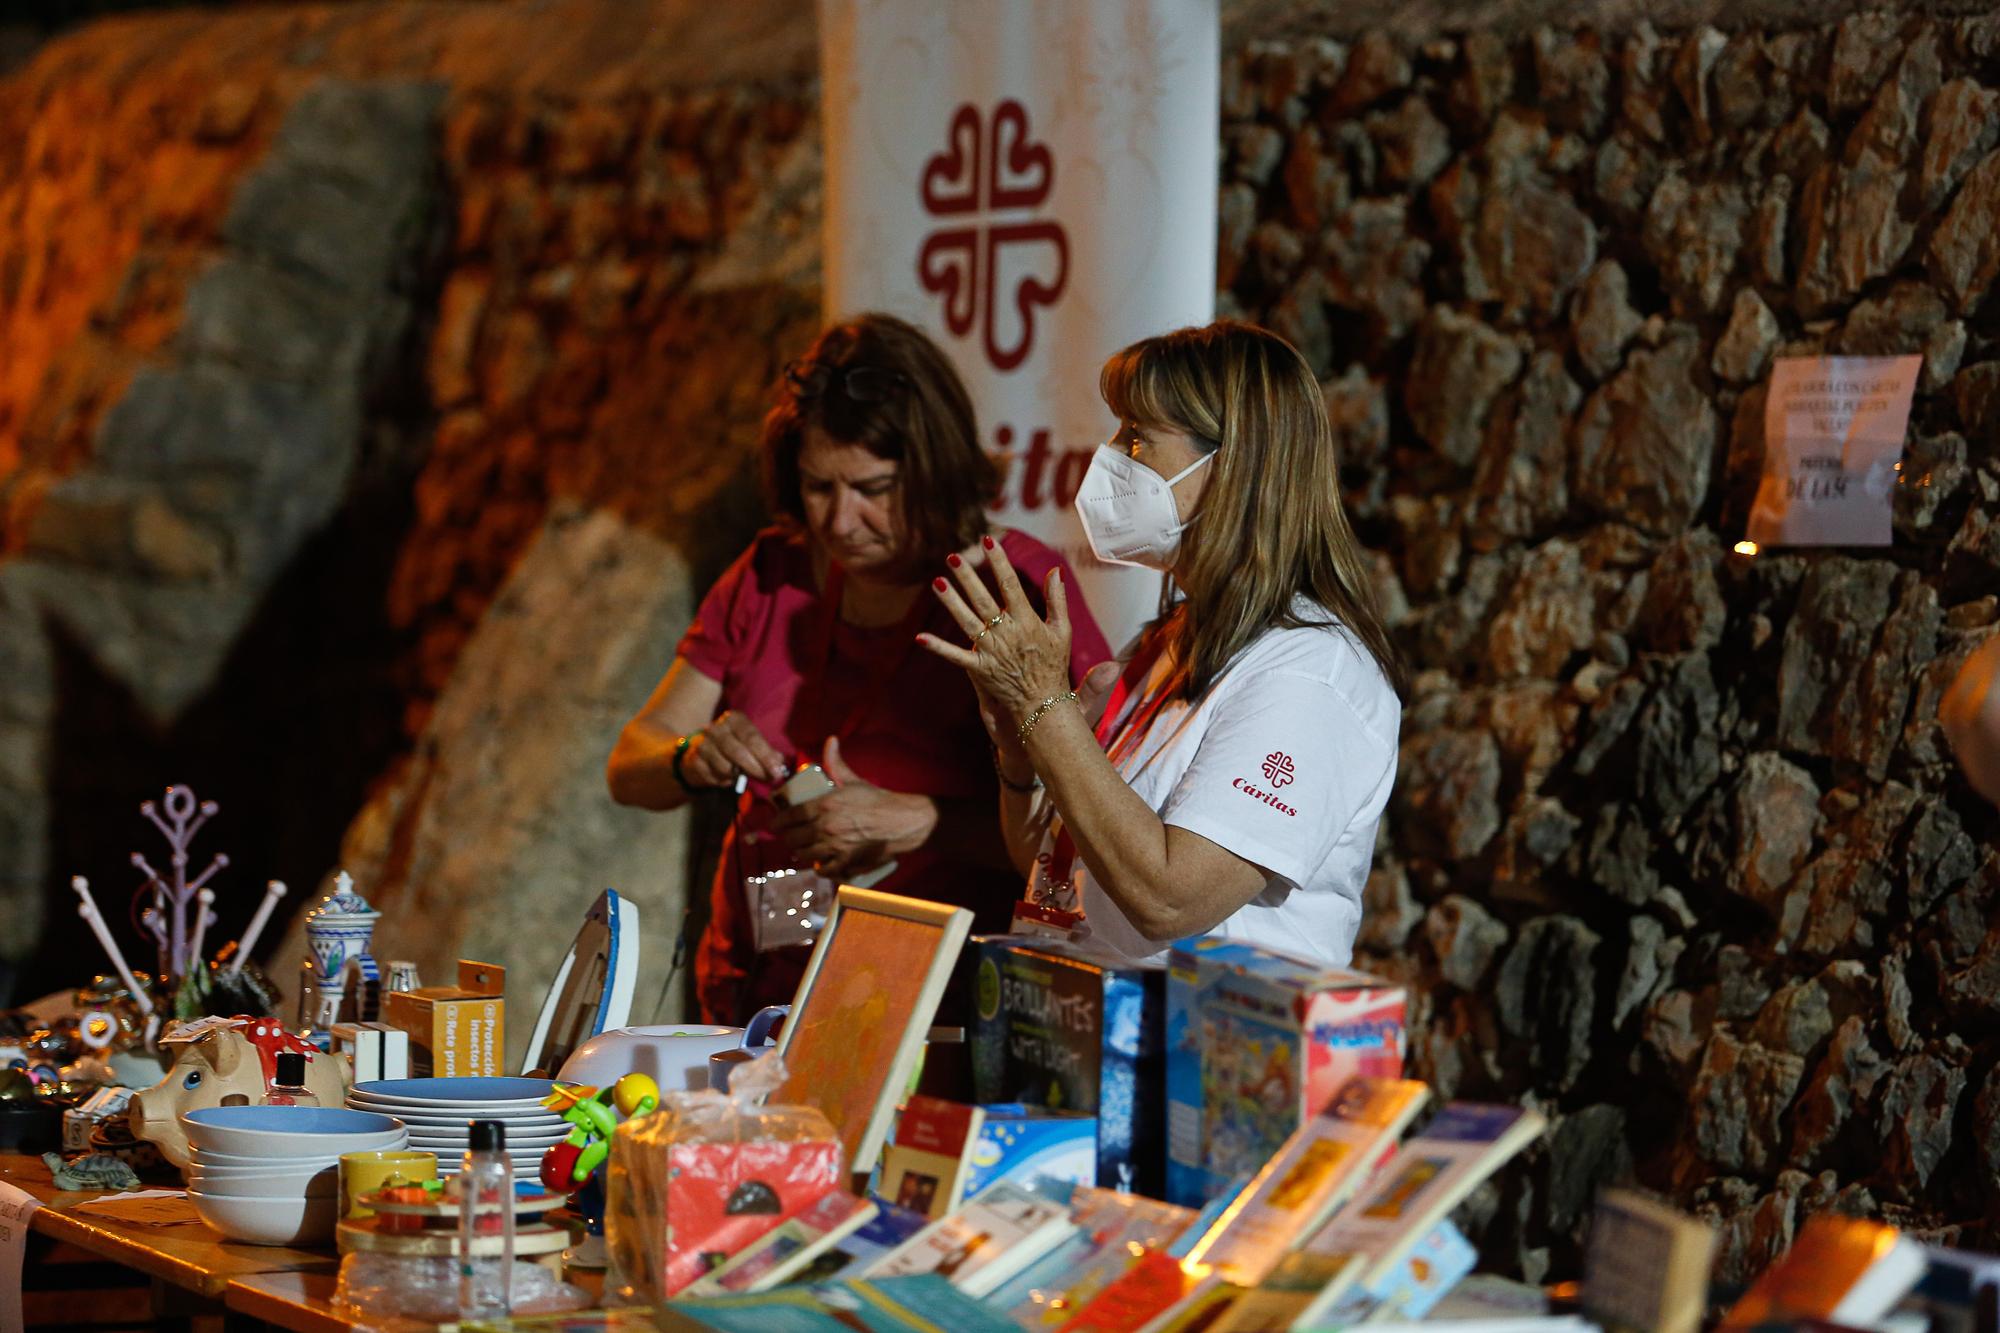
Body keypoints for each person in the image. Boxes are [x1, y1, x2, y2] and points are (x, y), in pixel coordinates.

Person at [608, 313, 1111, 1022]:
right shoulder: (770, 575)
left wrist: (925, 823)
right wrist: (690, 755)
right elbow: (630, 765)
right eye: (818, 487)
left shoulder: (1011, 590)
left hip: (934, 1017)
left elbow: (1091, 840)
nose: (840, 521)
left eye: (873, 488)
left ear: (933, 467)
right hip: (752, 1001)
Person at [918, 320, 1405, 967]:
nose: (1112, 456)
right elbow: (1051, 861)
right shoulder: (1170, 640)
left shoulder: (1310, 673)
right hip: (1081, 1036)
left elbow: (1170, 901)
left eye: (1138, 436)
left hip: (1207, 1057)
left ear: (1233, 464)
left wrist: (1045, 703)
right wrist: (1020, 750)